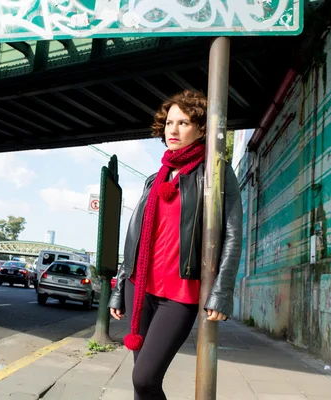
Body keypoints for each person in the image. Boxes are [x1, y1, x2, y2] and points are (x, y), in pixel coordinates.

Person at [108, 89, 242, 400]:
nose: (173, 130)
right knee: (142, 381)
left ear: (201, 128)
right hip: (138, 286)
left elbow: (233, 233)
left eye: (183, 123)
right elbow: (135, 236)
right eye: (169, 123)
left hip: (179, 295)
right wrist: (118, 288)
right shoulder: (155, 179)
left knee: (144, 379)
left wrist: (222, 290)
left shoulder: (215, 174)